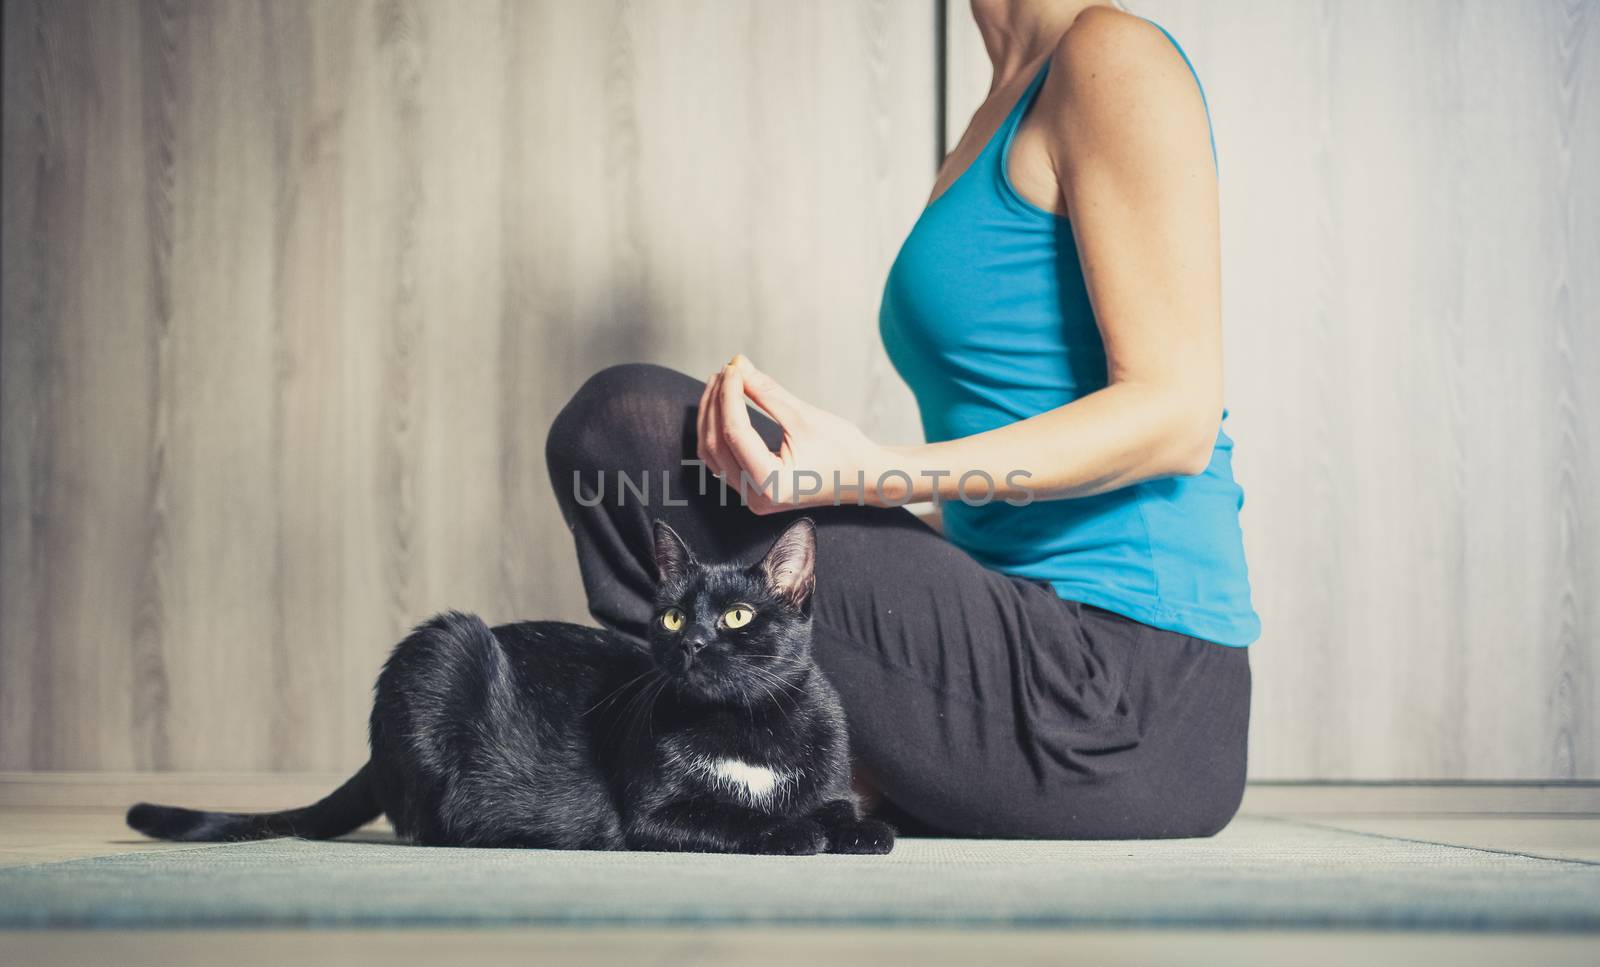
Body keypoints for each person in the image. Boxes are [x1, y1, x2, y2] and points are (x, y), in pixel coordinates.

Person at [544, 0, 1257, 838]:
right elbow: (1007, 488)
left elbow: (1177, 416)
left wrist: (864, 471)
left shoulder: (1112, 56)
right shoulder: (996, 111)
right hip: (1019, 630)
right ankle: (770, 766)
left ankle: (744, 771)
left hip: (1130, 694)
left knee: (625, 429)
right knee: (629, 443)